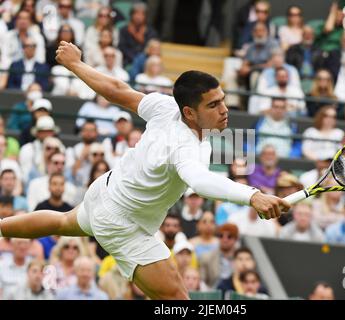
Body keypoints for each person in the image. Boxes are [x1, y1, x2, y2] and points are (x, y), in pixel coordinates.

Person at [0, 41, 290, 300]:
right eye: (214, 104)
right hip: (122, 224)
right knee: (177, 298)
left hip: (107, 190)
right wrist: (252, 195)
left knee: (63, 222)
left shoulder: (166, 107)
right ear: (189, 112)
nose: (224, 109)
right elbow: (200, 181)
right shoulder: (184, 146)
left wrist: (76, 64)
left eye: (223, 99)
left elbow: (119, 91)